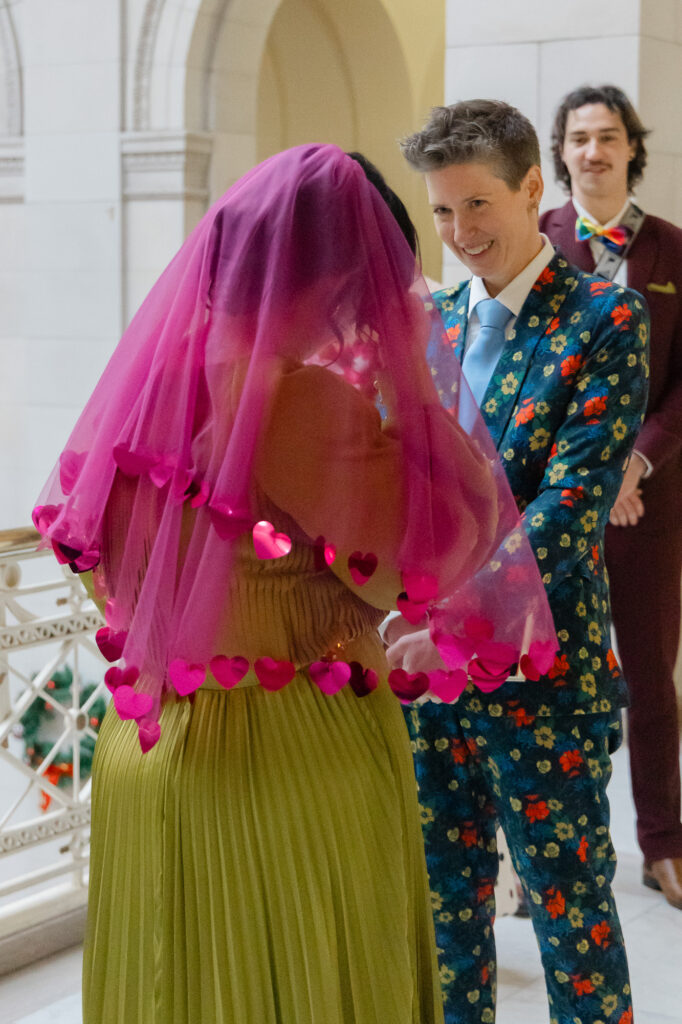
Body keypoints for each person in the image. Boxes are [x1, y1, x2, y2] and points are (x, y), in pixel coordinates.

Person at [32, 144, 555, 1024]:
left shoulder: (153, 388)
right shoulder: (304, 404)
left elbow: (98, 563)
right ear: (342, 281)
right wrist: (417, 393)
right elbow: (444, 552)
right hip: (286, 761)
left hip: (147, 754)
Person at [391, 100, 649, 1024]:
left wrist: (447, 620)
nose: (460, 234)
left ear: (534, 188)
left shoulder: (604, 319)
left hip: (547, 678)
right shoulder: (431, 326)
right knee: (444, 915)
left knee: (571, 918)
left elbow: (570, 510)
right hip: (427, 686)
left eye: (478, 207)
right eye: (442, 213)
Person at [540, 84, 682, 912]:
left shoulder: (672, 251)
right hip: (559, 499)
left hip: (651, 505)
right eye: (580, 138)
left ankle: (662, 843)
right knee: (552, 672)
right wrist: (590, 471)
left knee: (652, 678)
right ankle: (555, 843)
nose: (594, 151)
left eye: (609, 137)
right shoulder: (538, 245)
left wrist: (639, 463)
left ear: (633, 148)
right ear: (560, 154)